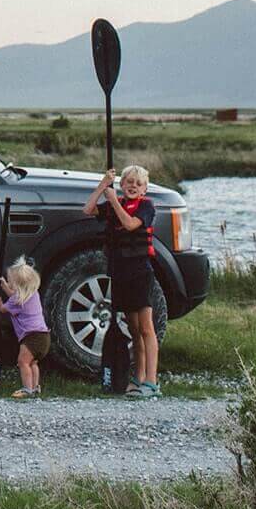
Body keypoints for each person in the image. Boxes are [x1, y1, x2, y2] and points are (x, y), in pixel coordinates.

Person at [84, 163, 160, 398]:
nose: (133, 186)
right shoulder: (114, 204)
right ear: (122, 185)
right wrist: (103, 186)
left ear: (144, 189)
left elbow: (129, 224)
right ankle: (137, 378)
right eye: (128, 182)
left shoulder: (146, 207)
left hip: (139, 272)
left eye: (138, 184)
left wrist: (113, 201)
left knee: (146, 328)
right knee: (134, 329)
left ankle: (152, 381)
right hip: (120, 272)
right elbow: (88, 210)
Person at [0, 259, 50, 398]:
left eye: (11, 281)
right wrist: (5, 286)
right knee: (33, 363)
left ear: (17, 284)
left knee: (23, 362)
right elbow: (15, 295)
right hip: (44, 337)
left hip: (31, 337)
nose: (9, 283)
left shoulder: (16, 300)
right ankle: (36, 387)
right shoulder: (33, 294)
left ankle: (27, 389)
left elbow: (3, 309)